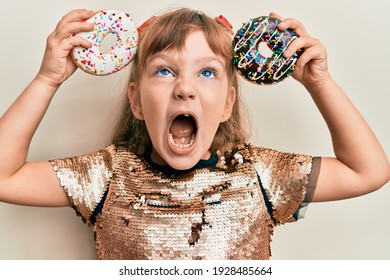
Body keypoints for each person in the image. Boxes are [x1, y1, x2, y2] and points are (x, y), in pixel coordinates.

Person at [0, 8, 388, 260]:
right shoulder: (107, 176)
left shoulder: (258, 175)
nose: (184, 88)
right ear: (136, 102)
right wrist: (47, 79)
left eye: (206, 72)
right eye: (165, 71)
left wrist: (319, 82)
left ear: (226, 105)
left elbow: (367, 171)